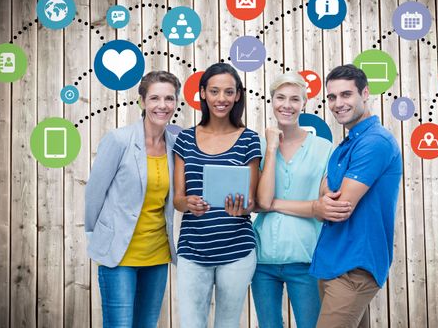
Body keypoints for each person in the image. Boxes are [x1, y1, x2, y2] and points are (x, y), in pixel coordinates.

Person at [85, 70, 181, 327]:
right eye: (155, 98)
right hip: (119, 256)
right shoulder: (119, 140)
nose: (162, 106)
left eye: (169, 99)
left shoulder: (176, 145)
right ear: (142, 101)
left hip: (158, 256)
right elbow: (94, 194)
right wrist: (100, 237)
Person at [309, 64, 403, 328]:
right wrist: (321, 202)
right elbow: (324, 191)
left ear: (365, 93)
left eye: (346, 95)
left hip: (354, 268)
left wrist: (320, 205)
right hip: (333, 261)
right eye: (331, 97)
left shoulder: (375, 142)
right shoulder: (347, 144)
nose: (338, 103)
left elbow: (339, 206)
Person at [252, 72, 348, 328]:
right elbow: (259, 200)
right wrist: (271, 149)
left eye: (295, 99)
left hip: (305, 258)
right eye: (281, 97)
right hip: (262, 261)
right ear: (271, 101)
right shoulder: (258, 148)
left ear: (304, 103)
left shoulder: (324, 148)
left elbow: (321, 208)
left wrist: (273, 204)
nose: (287, 105)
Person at [172, 63, 262, 328]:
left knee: (227, 323)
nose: (221, 99)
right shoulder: (185, 139)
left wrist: (242, 208)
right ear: (203, 93)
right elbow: (178, 199)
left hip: (237, 250)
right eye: (214, 91)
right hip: (192, 249)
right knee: (191, 323)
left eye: (228, 92)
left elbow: (252, 202)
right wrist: (187, 202)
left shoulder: (249, 139)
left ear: (237, 95)